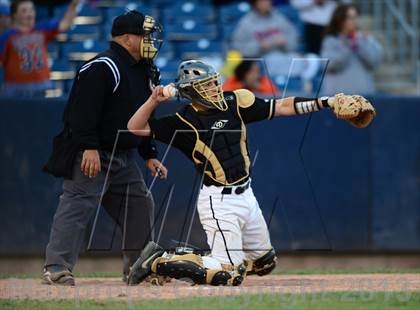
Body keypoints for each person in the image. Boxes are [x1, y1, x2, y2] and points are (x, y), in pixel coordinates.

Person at [126, 60, 363, 286]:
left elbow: (281, 106)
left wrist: (326, 101)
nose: (214, 87)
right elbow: (134, 127)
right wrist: (153, 101)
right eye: (205, 85)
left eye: (213, 81)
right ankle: (158, 260)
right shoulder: (182, 120)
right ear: (191, 91)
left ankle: (193, 259)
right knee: (229, 275)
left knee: (264, 263)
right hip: (218, 201)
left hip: (246, 196)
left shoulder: (235, 101)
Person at [42, 10, 168, 286]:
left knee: (140, 203)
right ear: (125, 38)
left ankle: (138, 268)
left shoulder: (147, 69)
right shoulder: (102, 66)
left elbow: (145, 115)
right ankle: (56, 268)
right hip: (93, 153)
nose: (150, 41)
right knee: (77, 205)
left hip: (123, 156)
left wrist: (149, 154)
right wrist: (88, 147)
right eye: (144, 35)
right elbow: (79, 112)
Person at [0, 0, 79, 97]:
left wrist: (73, 5)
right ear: (15, 15)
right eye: (24, 11)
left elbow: (65, 24)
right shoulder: (7, 36)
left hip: (41, 85)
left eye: (31, 10)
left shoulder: (41, 29)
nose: (29, 14)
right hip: (14, 87)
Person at [320, 4, 383, 95]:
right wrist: (347, 47)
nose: (354, 21)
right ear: (340, 20)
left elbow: (374, 62)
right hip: (339, 99)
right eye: (350, 18)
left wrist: (360, 44)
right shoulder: (330, 41)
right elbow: (330, 65)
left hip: (363, 97)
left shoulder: (363, 39)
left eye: (355, 17)